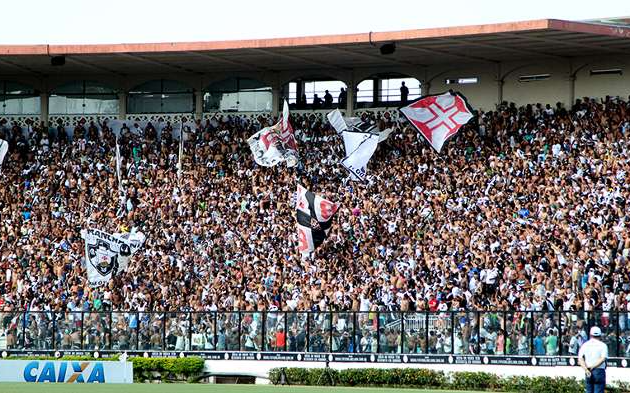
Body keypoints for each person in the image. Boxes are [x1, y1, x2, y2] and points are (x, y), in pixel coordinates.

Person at [578, 326, 608, 393]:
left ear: (590, 335)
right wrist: (593, 367)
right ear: (600, 335)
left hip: (588, 370)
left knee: (589, 391)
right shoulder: (603, 345)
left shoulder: (585, 345)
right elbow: (603, 359)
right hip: (599, 370)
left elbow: (580, 358)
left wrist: (586, 369)